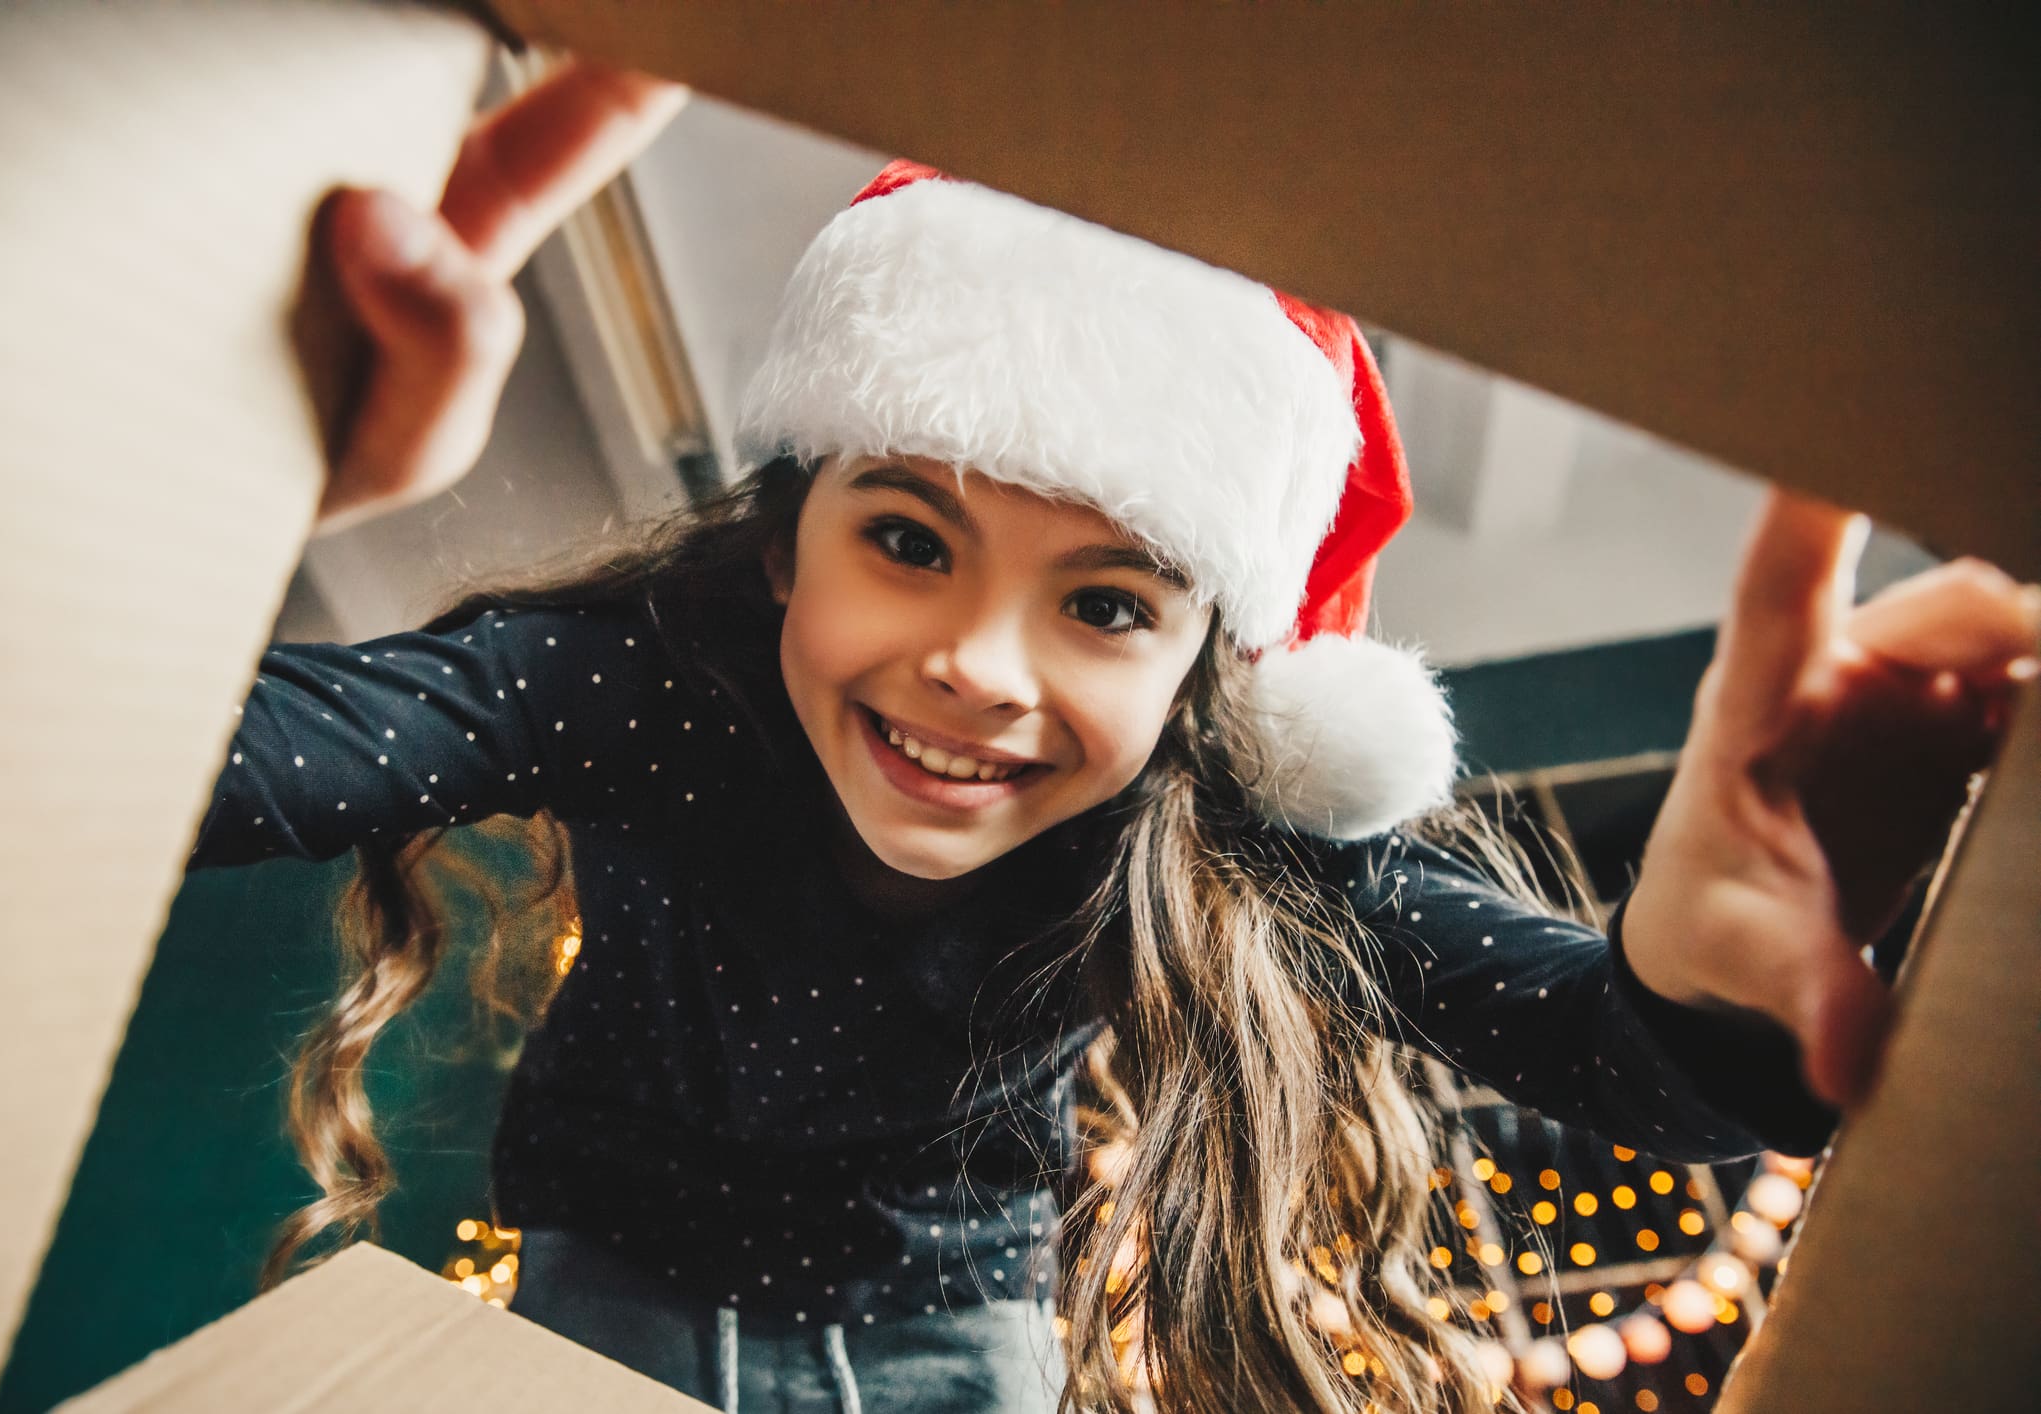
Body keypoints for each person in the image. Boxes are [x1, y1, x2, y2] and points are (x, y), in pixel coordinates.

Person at [187, 61, 2039, 1414]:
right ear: (782, 548)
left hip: (960, 1350)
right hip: (595, 1305)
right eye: (907, 540)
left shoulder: (1204, 816)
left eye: (1107, 601)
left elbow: (1616, 1051)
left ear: (1197, 678)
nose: (980, 669)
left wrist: (1705, 992)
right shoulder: (639, 681)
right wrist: (218, 510)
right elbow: (234, 762)